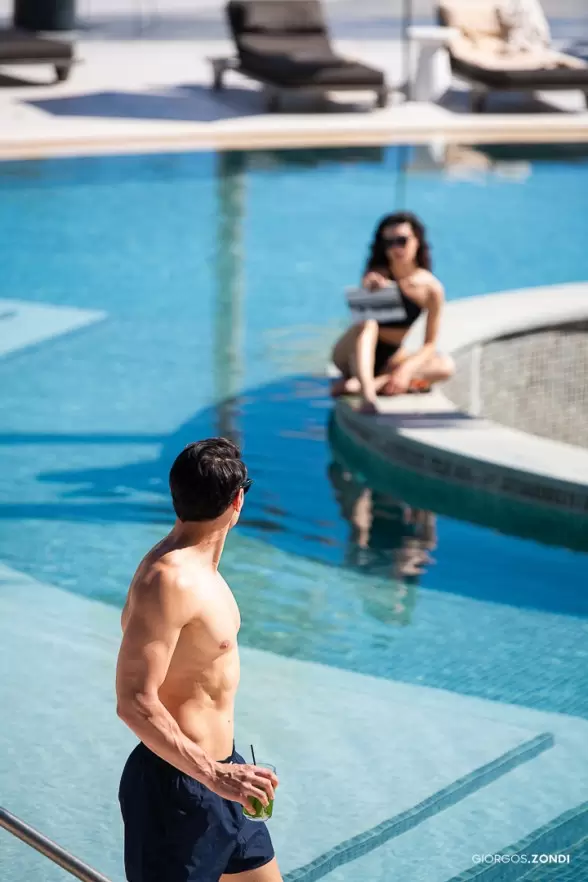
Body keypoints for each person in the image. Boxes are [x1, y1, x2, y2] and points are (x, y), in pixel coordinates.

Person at [116, 438, 281, 882]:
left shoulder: (200, 571)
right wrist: (213, 775)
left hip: (225, 776)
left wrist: (226, 775)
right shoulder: (168, 581)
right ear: (238, 500)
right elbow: (134, 701)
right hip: (177, 790)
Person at [330, 211, 455, 412]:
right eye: (389, 243)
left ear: (417, 241)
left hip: (392, 356)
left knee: (445, 366)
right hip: (353, 351)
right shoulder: (377, 274)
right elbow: (363, 320)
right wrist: (371, 289)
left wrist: (406, 370)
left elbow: (430, 344)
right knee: (368, 323)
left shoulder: (431, 289)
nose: (396, 248)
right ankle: (368, 395)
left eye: (401, 241)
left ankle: (373, 382)